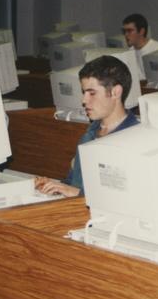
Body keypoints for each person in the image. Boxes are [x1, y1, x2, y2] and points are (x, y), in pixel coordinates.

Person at [35, 55, 139, 197]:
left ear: (116, 92)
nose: (84, 100)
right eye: (84, 92)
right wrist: (55, 187)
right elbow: (73, 183)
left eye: (92, 93)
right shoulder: (90, 133)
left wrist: (76, 193)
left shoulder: (135, 139)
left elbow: (124, 198)